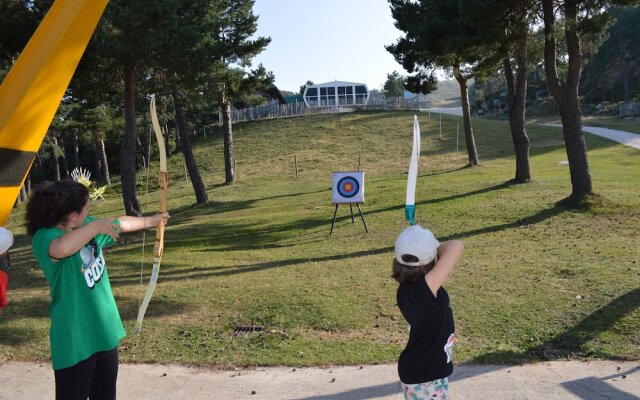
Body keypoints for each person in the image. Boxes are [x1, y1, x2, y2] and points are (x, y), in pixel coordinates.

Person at [26, 180, 170, 400]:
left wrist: (151, 221)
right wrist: (95, 226)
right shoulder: (45, 237)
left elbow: (120, 223)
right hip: (74, 337)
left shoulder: (86, 227)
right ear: (73, 215)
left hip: (104, 330)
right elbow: (63, 248)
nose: (90, 213)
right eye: (87, 209)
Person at [392, 225, 464, 400]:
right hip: (425, 378)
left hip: (421, 372)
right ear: (433, 259)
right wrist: (431, 248)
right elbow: (457, 245)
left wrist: (425, 249)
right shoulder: (424, 291)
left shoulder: (408, 288)